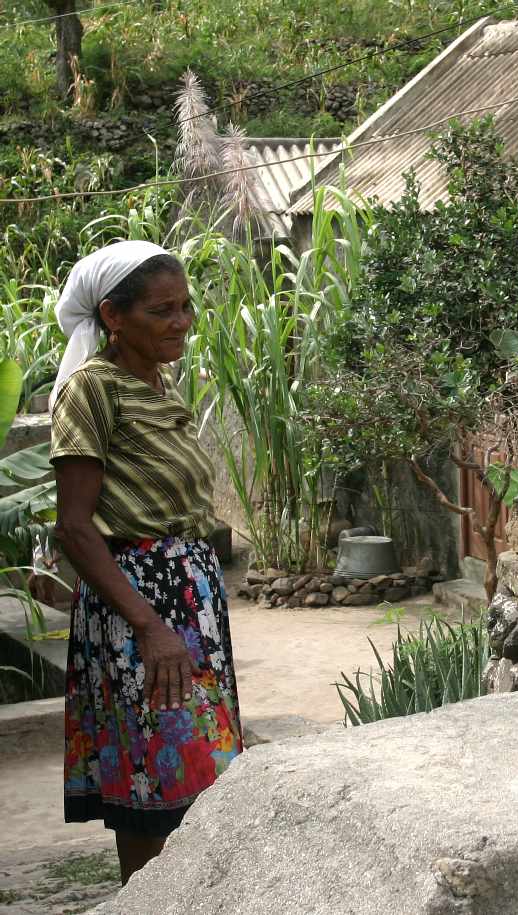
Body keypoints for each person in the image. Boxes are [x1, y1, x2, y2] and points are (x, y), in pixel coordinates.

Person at [49, 240, 242, 883]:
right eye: (163, 310)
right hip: (139, 605)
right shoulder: (91, 391)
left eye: (186, 306)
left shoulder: (158, 382)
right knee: (153, 786)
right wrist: (151, 628)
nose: (181, 321)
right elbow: (76, 528)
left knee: (201, 776)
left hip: (187, 601)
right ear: (112, 315)